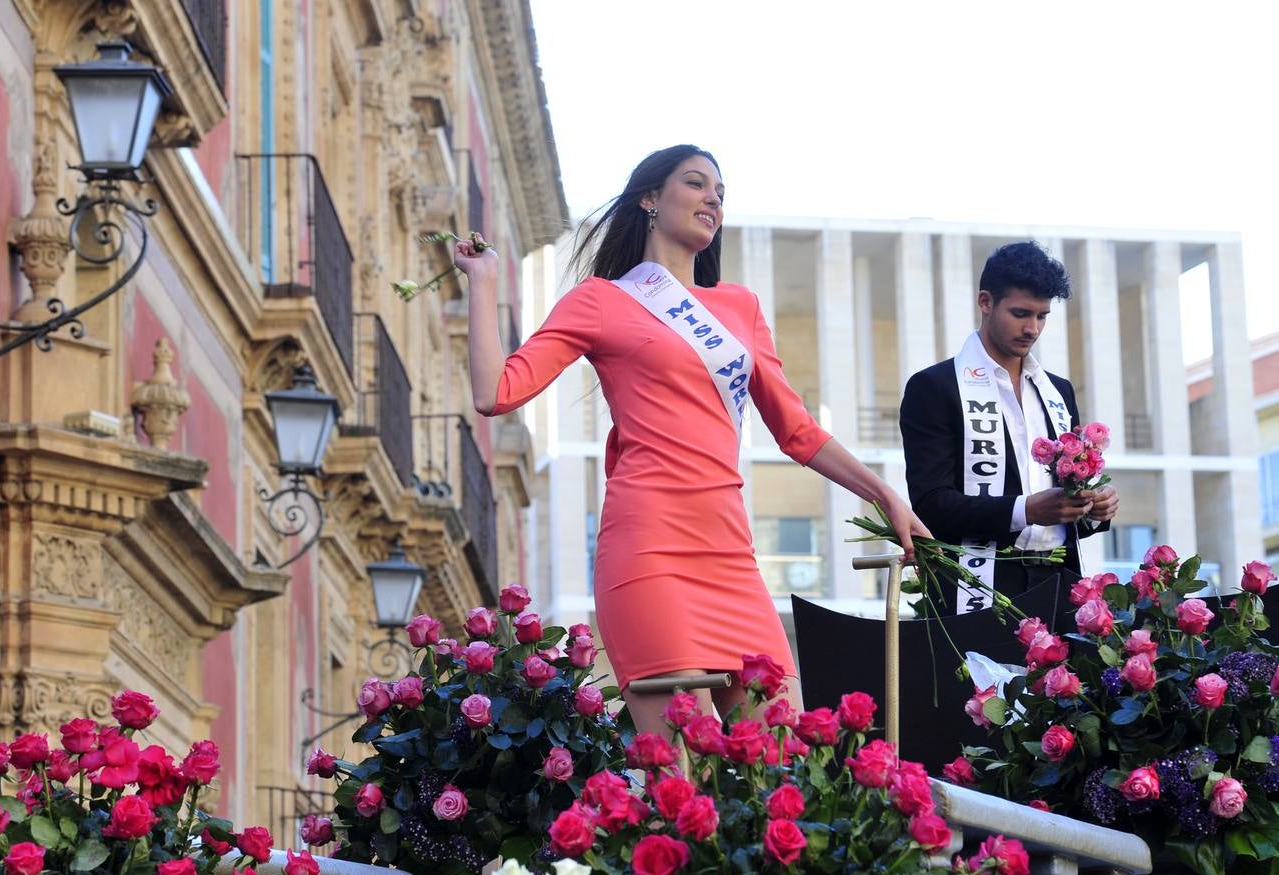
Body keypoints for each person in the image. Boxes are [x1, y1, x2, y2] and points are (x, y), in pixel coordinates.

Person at [453, 145, 930, 735]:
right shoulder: (601, 301)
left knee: (781, 755)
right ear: (650, 198)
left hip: (730, 554)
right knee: (680, 762)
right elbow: (495, 392)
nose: (713, 199)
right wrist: (483, 281)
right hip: (649, 548)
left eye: (721, 193)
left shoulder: (739, 308)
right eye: (697, 184)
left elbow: (798, 431)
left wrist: (885, 495)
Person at [899, 241, 1119, 629]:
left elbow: (1067, 509)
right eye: (1020, 313)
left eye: (1042, 316)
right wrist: (1027, 509)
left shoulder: (1058, 392)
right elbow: (931, 505)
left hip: (1059, 585)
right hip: (976, 585)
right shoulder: (934, 388)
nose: (1032, 328)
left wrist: (1094, 508)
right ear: (985, 302)